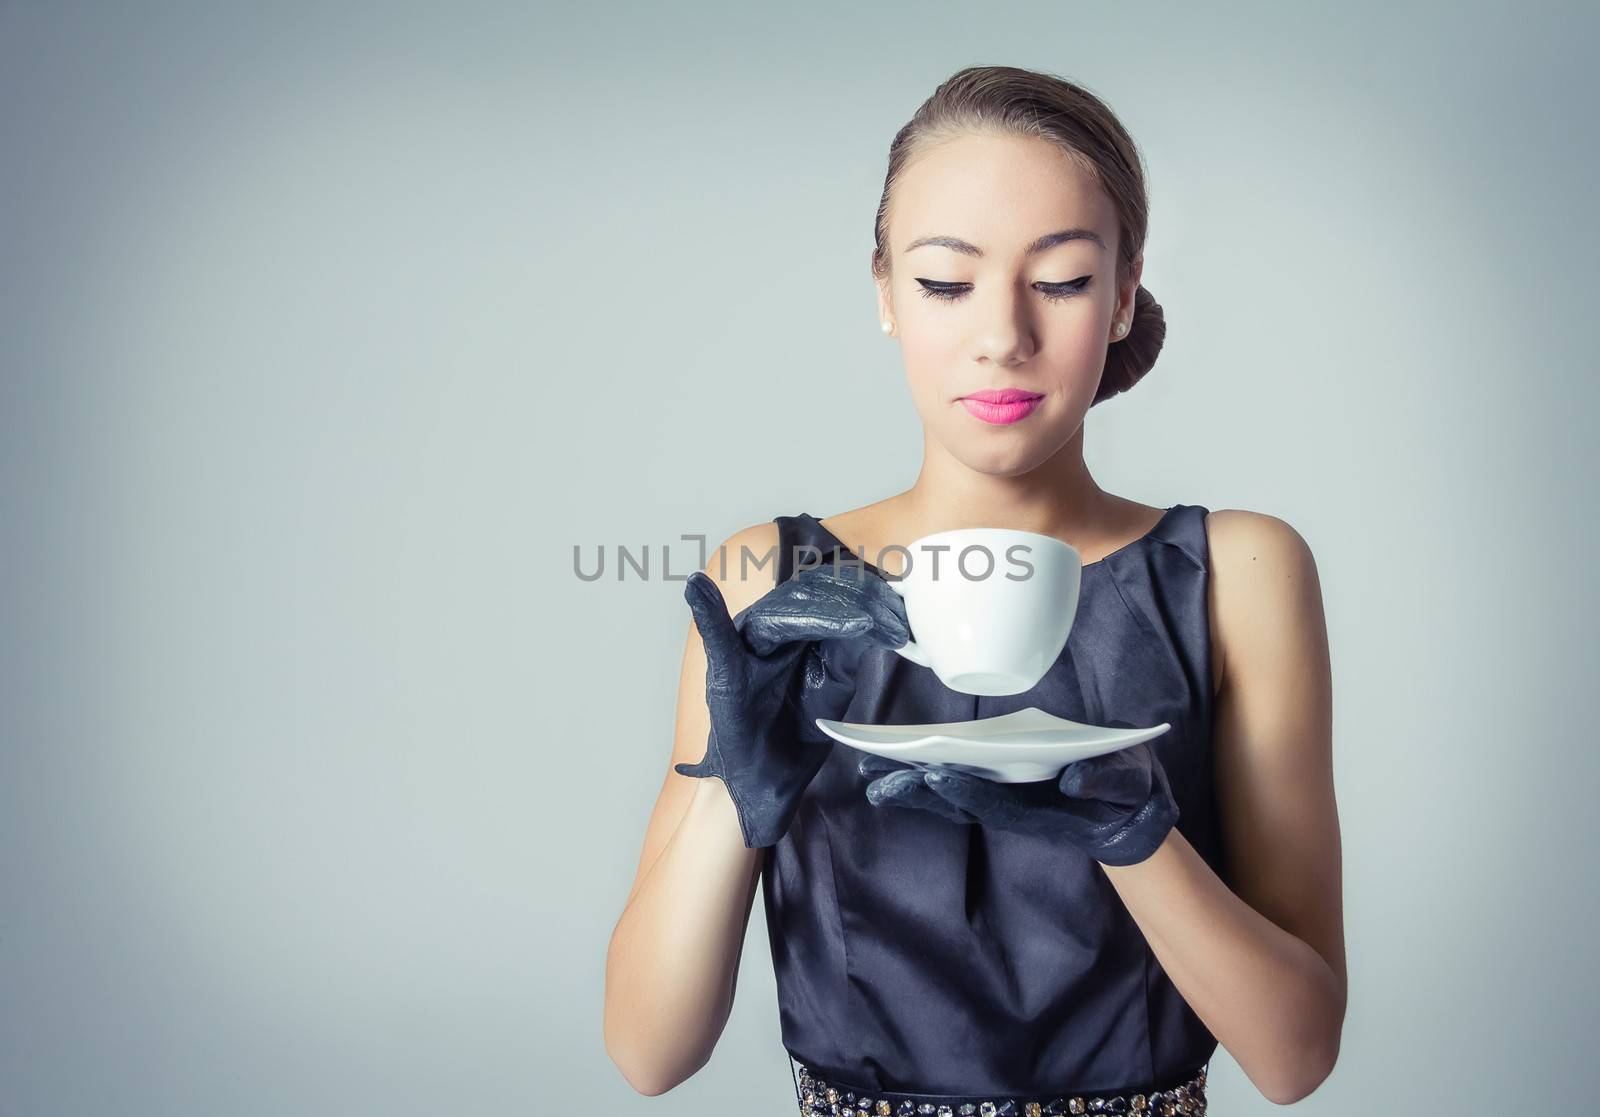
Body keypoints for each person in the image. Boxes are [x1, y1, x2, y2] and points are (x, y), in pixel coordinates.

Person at [604, 65, 1344, 1114]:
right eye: (947, 283)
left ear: (1125, 293)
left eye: (1062, 280)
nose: (1001, 334)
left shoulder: (1240, 571)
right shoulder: (769, 577)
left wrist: (1137, 840)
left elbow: (1295, 1057)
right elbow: (647, 1054)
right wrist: (735, 789)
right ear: (884, 295)